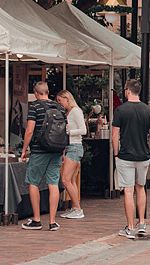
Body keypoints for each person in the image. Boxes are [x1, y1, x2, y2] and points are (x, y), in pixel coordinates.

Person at [111, 79, 150, 239]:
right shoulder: (148, 110)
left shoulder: (120, 110)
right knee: (141, 188)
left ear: (128, 90)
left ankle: (130, 228)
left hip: (125, 155)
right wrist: (148, 151)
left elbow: (115, 135)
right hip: (143, 155)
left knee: (128, 191)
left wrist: (116, 154)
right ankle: (142, 223)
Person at [20, 81, 66, 231]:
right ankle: (52, 222)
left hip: (39, 151)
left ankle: (37, 220)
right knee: (53, 183)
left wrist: (24, 149)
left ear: (37, 94)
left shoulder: (35, 106)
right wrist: (63, 151)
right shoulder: (60, 107)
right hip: (57, 150)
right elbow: (64, 131)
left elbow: (29, 131)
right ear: (48, 92)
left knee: (33, 182)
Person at [56, 90, 86, 219]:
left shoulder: (75, 111)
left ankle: (78, 209)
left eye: (60, 101)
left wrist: (68, 131)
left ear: (66, 99)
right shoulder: (68, 112)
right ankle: (75, 207)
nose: (59, 103)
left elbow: (83, 130)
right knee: (71, 180)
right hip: (69, 146)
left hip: (74, 146)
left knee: (65, 179)